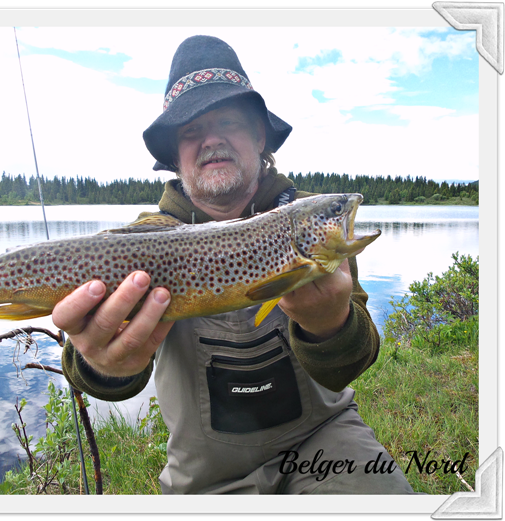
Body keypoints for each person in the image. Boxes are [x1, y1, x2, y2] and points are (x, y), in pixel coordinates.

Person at [54, 35, 416, 494]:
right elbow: (96, 379)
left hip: (325, 442)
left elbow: (351, 364)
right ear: (174, 156)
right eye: (190, 131)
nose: (211, 140)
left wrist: (330, 324)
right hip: (205, 473)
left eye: (227, 120)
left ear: (260, 137)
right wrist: (105, 364)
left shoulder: (308, 219)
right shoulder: (139, 243)